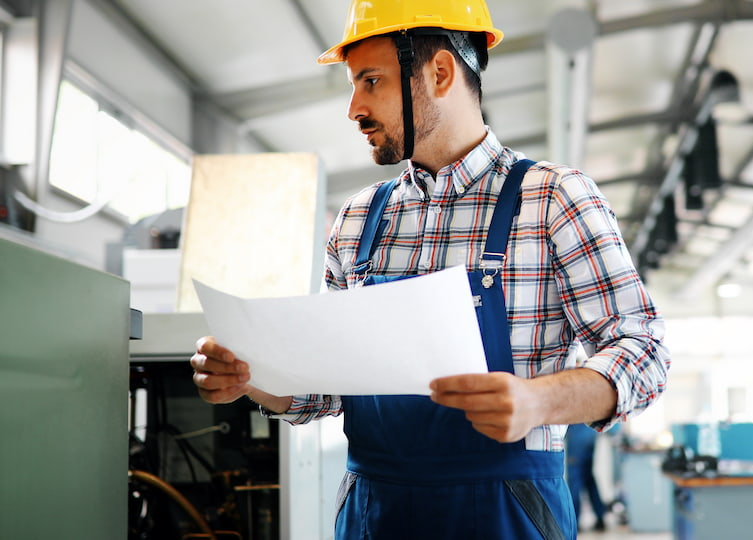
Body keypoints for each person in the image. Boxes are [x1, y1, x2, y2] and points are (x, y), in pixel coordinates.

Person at [189, 1, 670, 538]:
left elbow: (643, 350)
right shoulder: (357, 219)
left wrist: (538, 401)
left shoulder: (554, 198)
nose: (354, 108)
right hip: (375, 509)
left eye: (370, 81)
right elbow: (325, 390)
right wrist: (251, 377)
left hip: (507, 508)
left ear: (439, 72)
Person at [565, 423, 608, 531]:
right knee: (589, 478)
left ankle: (575, 521)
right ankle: (600, 517)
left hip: (577, 437)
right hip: (590, 434)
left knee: (575, 480)